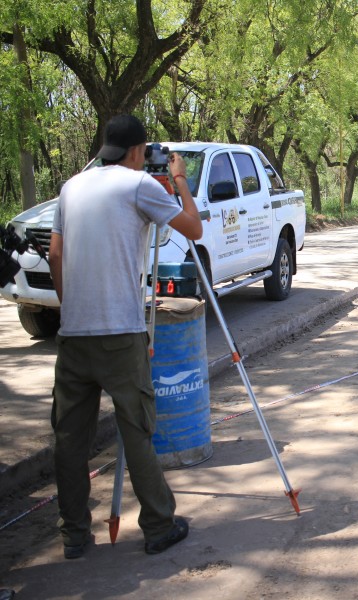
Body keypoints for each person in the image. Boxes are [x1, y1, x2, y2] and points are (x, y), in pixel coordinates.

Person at [49, 114, 203, 559]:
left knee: (70, 440)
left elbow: (56, 254)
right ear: (137, 152)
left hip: (74, 334)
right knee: (137, 430)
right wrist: (177, 181)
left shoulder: (71, 186)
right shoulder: (140, 186)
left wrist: (73, 306)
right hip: (120, 332)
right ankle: (158, 524)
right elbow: (192, 228)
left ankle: (74, 536)